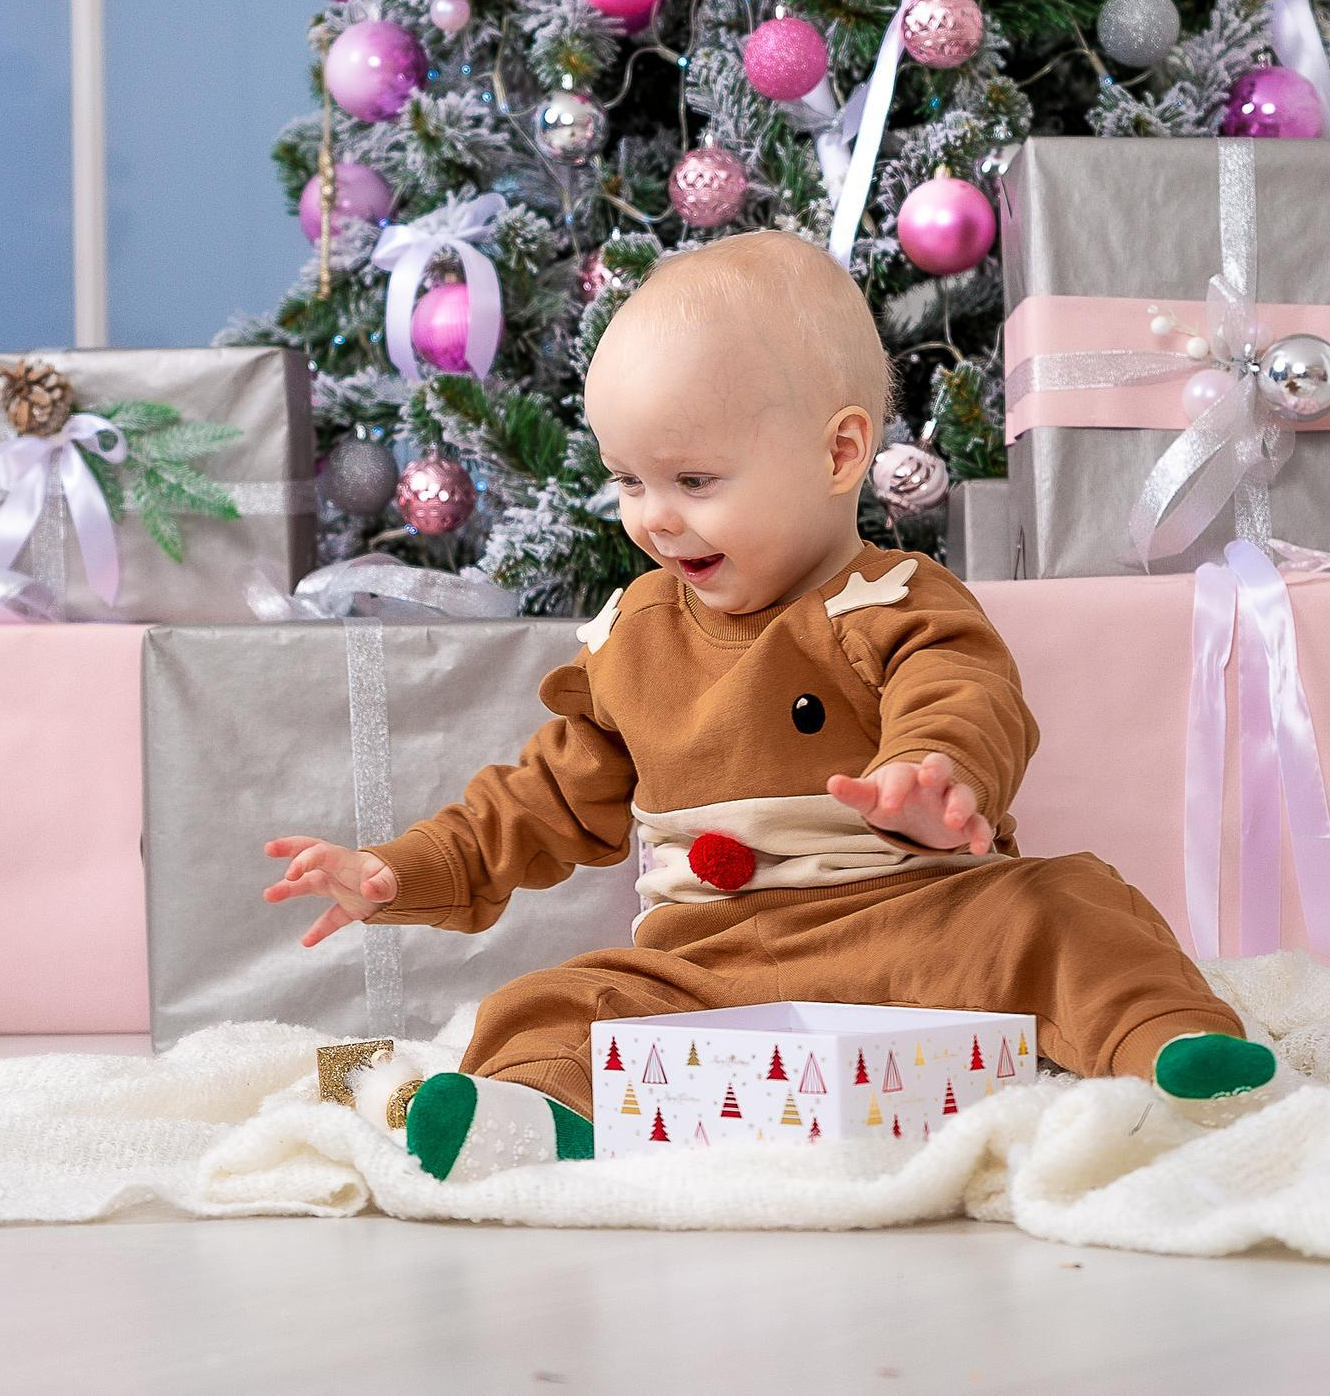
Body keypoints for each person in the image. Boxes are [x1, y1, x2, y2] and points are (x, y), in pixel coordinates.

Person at [264, 230, 1275, 1181]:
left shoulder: (889, 601)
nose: (654, 516)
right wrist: (399, 868)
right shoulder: (635, 637)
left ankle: (1170, 1045)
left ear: (839, 456)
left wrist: (936, 776)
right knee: (547, 1002)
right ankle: (538, 1118)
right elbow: (538, 799)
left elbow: (962, 694)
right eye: (628, 479)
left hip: (915, 926)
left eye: (694, 479)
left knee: (1066, 907)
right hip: (713, 960)